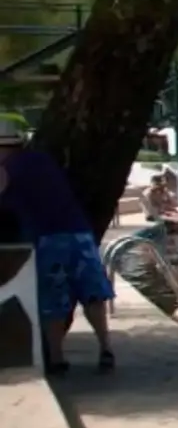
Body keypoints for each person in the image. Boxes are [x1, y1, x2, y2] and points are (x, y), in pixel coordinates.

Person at [0, 127, 115, 373]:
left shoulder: (6, 169)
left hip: (49, 238)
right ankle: (106, 348)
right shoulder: (43, 160)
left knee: (54, 297)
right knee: (93, 293)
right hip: (80, 232)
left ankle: (57, 358)